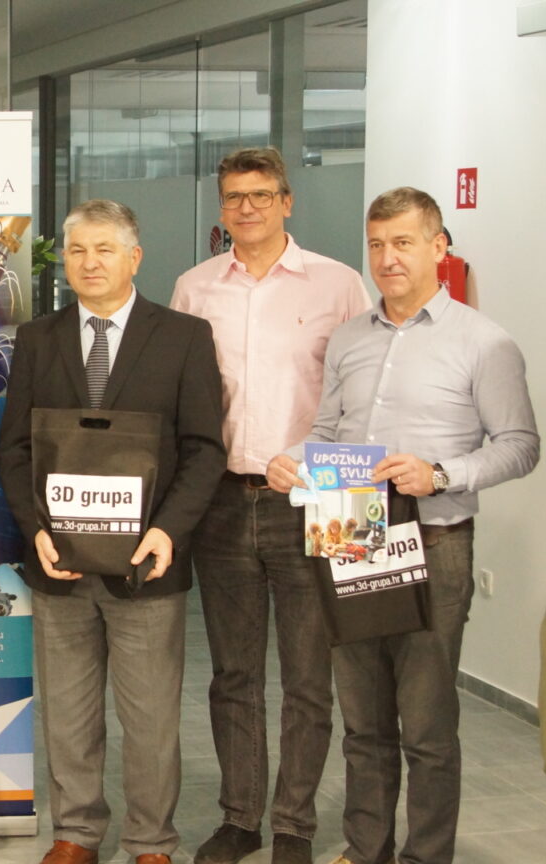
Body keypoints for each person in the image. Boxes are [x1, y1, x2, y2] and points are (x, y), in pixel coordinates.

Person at [268, 187, 539, 864]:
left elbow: (520, 445)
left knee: (426, 727)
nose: (387, 258)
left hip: (435, 544)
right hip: (349, 535)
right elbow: (328, 432)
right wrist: (290, 459)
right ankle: (367, 850)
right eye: (377, 244)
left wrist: (440, 474)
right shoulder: (349, 338)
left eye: (403, 243)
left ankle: (426, 856)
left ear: (438, 247)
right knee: (362, 722)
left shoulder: (484, 342)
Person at [0, 200, 225, 864]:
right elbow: (14, 450)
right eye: (76, 250)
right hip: (59, 561)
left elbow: (204, 448)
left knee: (150, 716)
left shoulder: (184, 336)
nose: (89, 262)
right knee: (67, 712)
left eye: (104, 249)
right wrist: (36, 530)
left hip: (147, 564)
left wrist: (168, 532)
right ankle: (76, 833)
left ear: (134, 257)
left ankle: (151, 840)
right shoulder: (37, 339)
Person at [170, 147, 371, 864]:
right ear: (221, 208)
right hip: (222, 501)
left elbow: (362, 395)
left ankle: (294, 826)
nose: (246, 208)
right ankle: (241, 818)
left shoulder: (339, 284)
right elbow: (181, 398)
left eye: (260, 195)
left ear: (288, 201)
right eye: (233, 197)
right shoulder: (194, 288)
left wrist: (319, 463)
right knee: (234, 674)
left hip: (318, 501)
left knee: (310, 679)